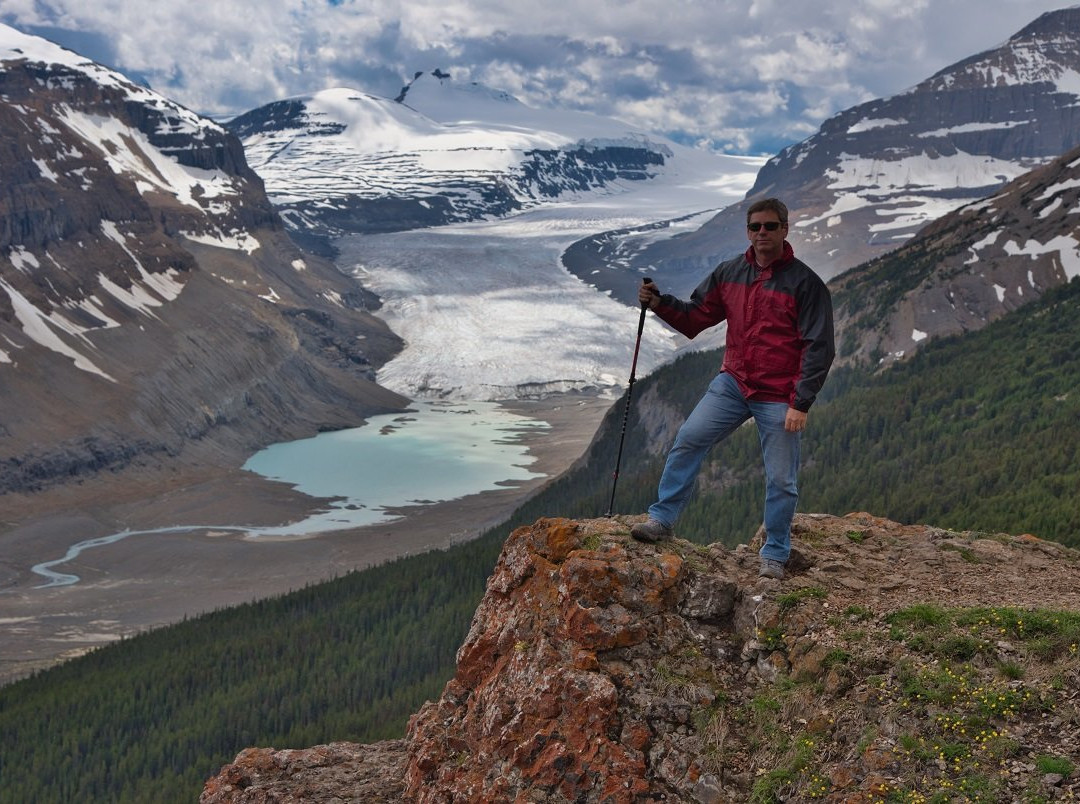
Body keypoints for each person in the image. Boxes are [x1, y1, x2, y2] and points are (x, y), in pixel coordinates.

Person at [629, 198, 835, 580]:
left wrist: (800, 402)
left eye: (770, 226)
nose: (762, 233)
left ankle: (774, 553)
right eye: (755, 226)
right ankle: (662, 519)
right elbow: (695, 316)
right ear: (748, 231)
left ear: (785, 229)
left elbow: (818, 347)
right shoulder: (731, 273)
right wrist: (658, 303)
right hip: (734, 383)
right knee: (689, 438)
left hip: (780, 395)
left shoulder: (805, 284)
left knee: (781, 479)